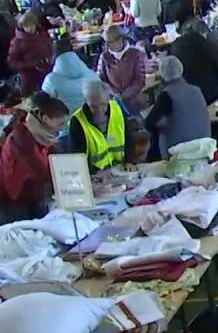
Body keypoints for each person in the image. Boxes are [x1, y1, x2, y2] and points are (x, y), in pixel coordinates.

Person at [0, 93, 69, 222]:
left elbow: (59, 161)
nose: (63, 128)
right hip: (16, 204)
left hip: (34, 199)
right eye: (60, 123)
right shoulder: (20, 138)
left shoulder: (46, 137)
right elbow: (40, 171)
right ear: (45, 118)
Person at [144, 56, 211, 160]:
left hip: (179, 154)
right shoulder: (196, 90)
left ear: (162, 74)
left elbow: (148, 123)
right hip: (203, 148)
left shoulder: (167, 95)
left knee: (155, 138)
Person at [68, 80, 130, 172]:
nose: (100, 110)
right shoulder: (77, 121)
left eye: (103, 105)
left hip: (121, 168)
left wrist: (129, 161)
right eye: (93, 106)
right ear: (86, 102)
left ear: (108, 99)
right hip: (96, 175)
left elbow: (128, 137)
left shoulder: (117, 109)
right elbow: (79, 158)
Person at [169, 18, 218, 104]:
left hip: (184, 95)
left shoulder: (175, 46)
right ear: (202, 32)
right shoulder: (207, 45)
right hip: (210, 93)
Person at [97, 25, 147, 115]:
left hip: (134, 102)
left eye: (111, 42)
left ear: (120, 39)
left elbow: (140, 80)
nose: (108, 46)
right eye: (107, 43)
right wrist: (112, 92)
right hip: (113, 102)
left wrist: (124, 95)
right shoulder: (104, 56)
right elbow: (100, 78)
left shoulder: (135, 54)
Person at [42, 45, 98, 118]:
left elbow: (45, 102)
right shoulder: (91, 74)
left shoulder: (51, 79)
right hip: (91, 119)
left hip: (64, 123)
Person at [9, 11, 53, 96]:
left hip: (47, 73)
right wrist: (33, 64)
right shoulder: (17, 42)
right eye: (27, 26)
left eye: (32, 25)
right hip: (30, 79)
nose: (30, 28)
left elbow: (49, 47)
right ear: (22, 27)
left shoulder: (43, 34)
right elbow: (12, 63)